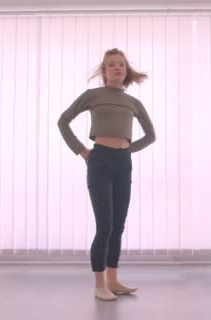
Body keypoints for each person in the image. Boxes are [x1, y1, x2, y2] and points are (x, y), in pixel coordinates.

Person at [58, 48, 155, 301]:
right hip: (99, 160)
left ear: (126, 71)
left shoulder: (134, 103)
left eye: (120, 64)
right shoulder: (93, 95)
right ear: (104, 71)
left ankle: (113, 280)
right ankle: (99, 284)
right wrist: (82, 151)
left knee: (118, 226)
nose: (116, 68)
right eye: (111, 65)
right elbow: (63, 121)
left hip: (123, 163)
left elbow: (151, 136)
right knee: (105, 226)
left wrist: (126, 150)